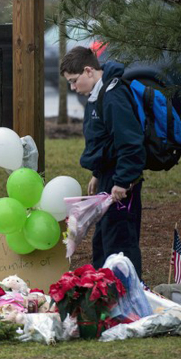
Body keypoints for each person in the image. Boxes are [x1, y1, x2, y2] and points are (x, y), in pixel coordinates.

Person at [60, 46, 145, 277]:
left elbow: (130, 142)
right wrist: (97, 173)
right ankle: (102, 293)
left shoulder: (113, 95)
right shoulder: (97, 95)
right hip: (108, 176)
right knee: (103, 239)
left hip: (121, 182)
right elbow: (103, 139)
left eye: (74, 81)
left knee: (120, 243)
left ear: (89, 70)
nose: (73, 87)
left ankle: (126, 297)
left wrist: (122, 181)